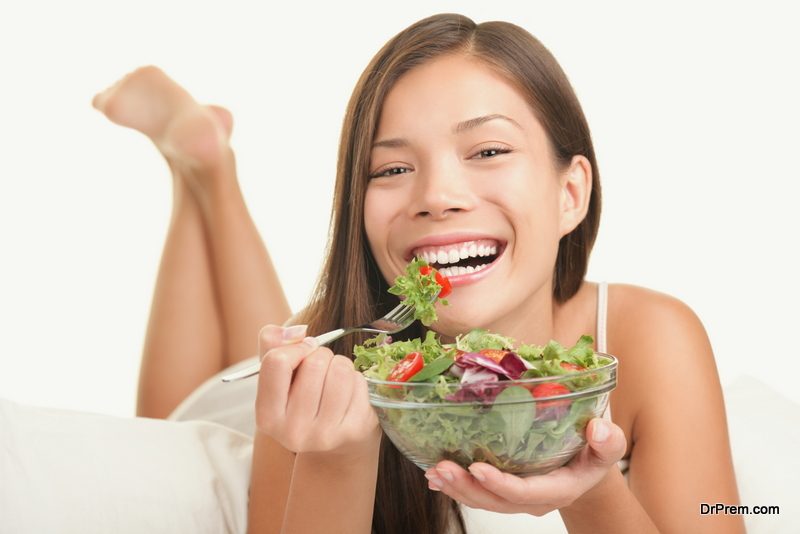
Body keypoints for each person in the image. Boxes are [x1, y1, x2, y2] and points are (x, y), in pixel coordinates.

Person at [91, 13, 743, 534]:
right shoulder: (331, 358)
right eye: (392, 168)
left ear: (570, 193)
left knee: (290, 325)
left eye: (488, 150)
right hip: (263, 411)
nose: (438, 195)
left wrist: (593, 487)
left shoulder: (652, 337)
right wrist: (334, 455)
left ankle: (206, 161)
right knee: (169, 422)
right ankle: (200, 168)